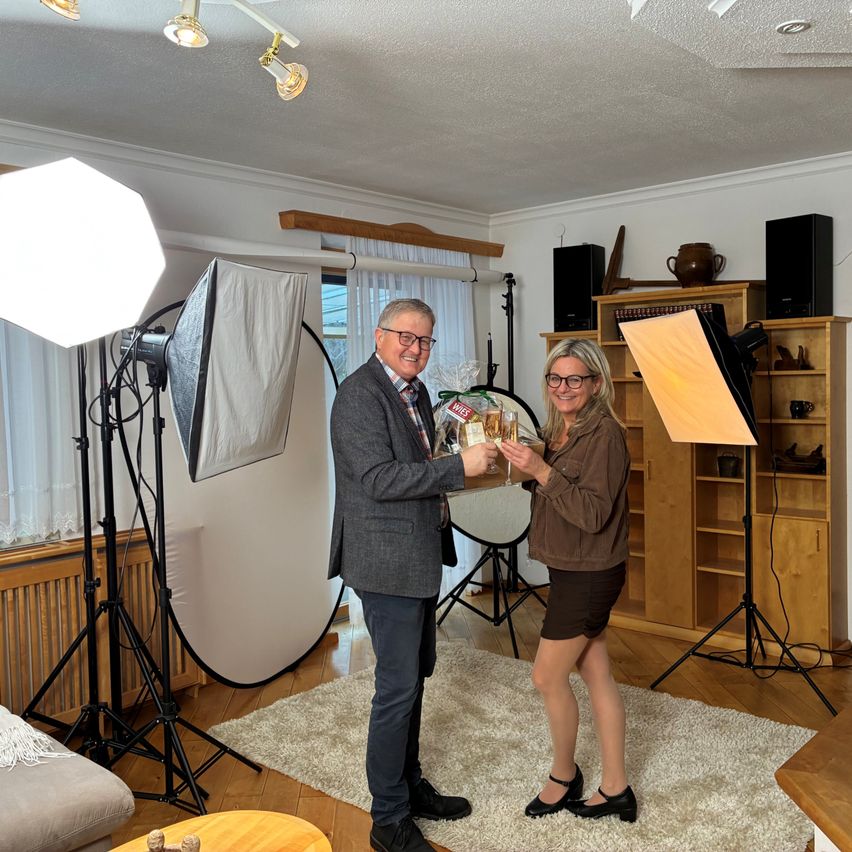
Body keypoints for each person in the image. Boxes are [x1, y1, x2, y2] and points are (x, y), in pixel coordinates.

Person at [328, 298, 498, 852]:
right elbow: (379, 479)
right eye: (405, 336)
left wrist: (467, 454)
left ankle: (409, 786)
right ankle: (388, 820)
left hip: (417, 553)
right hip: (385, 561)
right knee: (397, 688)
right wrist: (457, 468)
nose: (415, 348)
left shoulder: (418, 392)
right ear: (379, 336)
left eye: (424, 340)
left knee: (414, 678)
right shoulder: (359, 395)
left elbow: (422, 465)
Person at [499, 337, 636, 823]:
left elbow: (594, 514)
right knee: (596, 672)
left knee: (546, 676)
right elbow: (550, 491)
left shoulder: (605, 435)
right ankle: (616, 787)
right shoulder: (558, 431)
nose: (563, 387)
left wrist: (541, 470)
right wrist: (522, 465)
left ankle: (563, 776)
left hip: (591, 573)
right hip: (571, 567)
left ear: (596, 383)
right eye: (555, 378)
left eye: (575, 379)